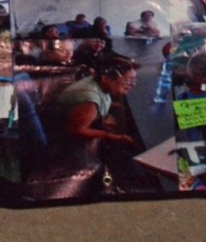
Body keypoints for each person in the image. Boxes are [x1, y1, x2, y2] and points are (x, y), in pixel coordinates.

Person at [43, 51, 141, 195]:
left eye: (133, 80)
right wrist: (114, 136)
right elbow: (76, 130)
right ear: (107, 78)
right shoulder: (89, 102)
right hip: (64, 145)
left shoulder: (98, 82)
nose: (132, 85)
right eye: (128, 80)